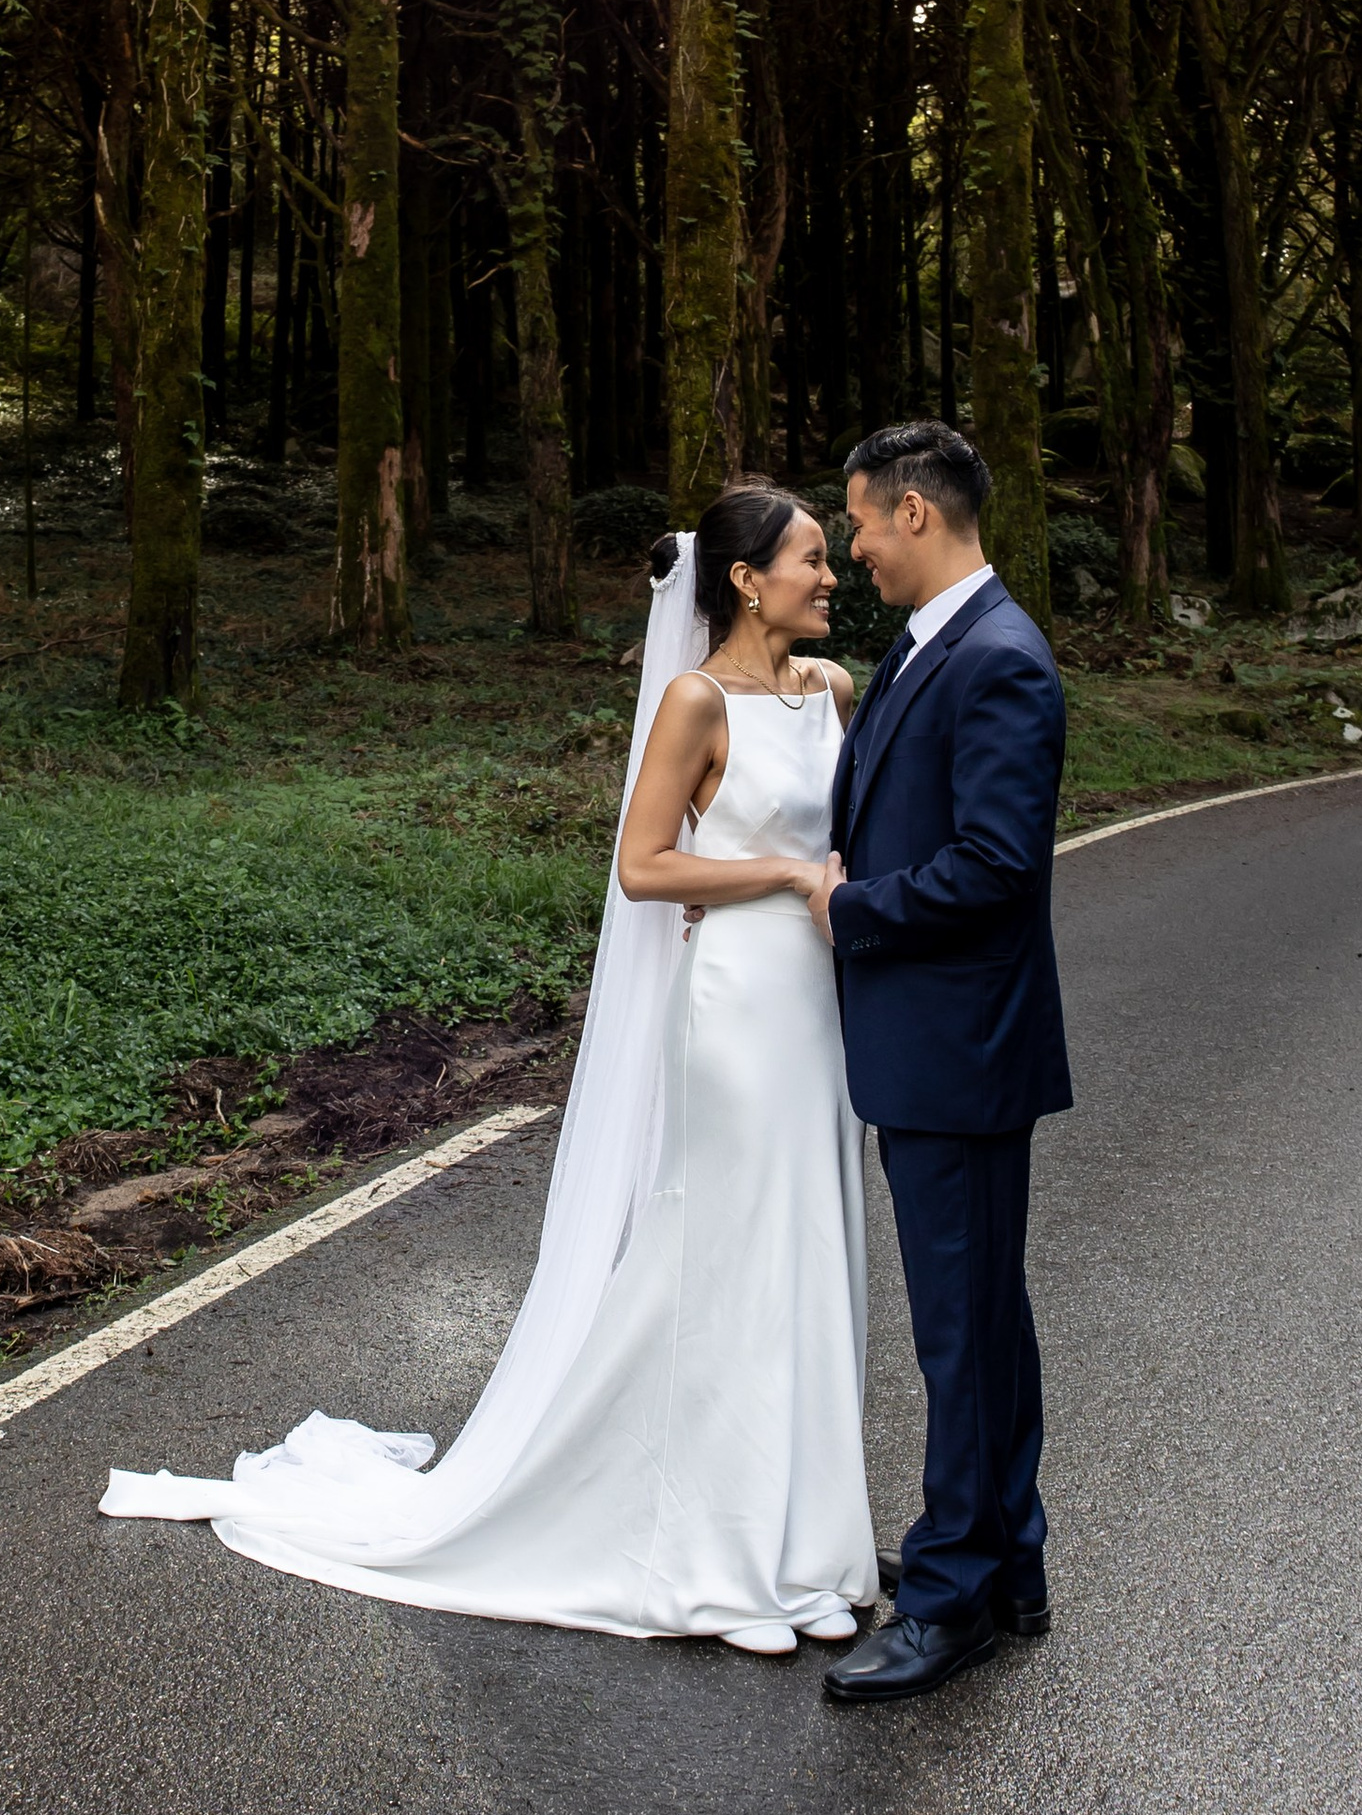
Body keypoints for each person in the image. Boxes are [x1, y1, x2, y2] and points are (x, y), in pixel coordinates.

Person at [99, 483, 880, 1652]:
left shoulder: (833, 692)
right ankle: (713, 1559)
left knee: (807, 1251)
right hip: (733, 1011)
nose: (831, 578)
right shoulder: (692, 701)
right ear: (743, 578)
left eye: (829, 558)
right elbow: (643, 869)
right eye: (812, 559)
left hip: (817, 1007)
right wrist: (776, 876)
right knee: (725, 1260)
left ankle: (806, 1549)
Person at [807, 420, 1071, 1704]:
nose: (852, 548)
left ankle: (952, 1590)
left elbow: (997, 863)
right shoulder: (930, 648)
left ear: (916, 512)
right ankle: (1009, 1558)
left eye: (858, 522)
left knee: (959, 1334)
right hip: (939, 1046)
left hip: (960, 1048)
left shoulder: (1000, 659)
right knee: (982, 1322)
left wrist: (855, 910)